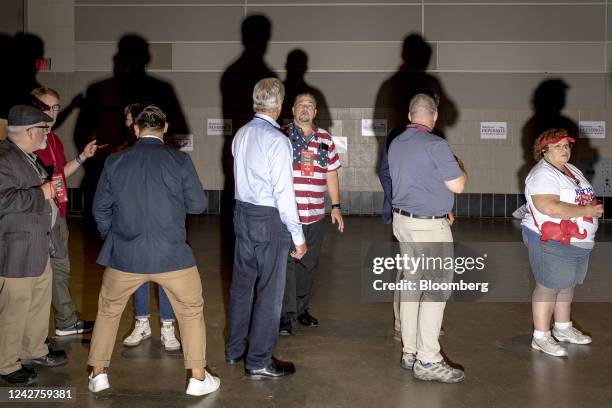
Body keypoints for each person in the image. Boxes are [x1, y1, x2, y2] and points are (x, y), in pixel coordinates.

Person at [87, 105, 219, 396]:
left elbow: (100, 209)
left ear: (135, 129)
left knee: (108, 312)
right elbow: (198, 205)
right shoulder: (179, 161)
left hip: (125, 256)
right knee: (191, 310)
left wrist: (115, 237)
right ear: (166, 128)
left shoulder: (115, 161)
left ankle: (98, 374)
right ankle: (197, 377)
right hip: (173, 256)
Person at [225, 78, 307, 379]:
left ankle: (235, 349)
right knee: (270, 292)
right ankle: (259, 359)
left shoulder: (242, 134)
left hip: (242, 214)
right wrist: (298, 237)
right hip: (267, 219)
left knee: (241, 287)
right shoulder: (278, 140)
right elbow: (284, 194)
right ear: (280, 104)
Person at [388, 93, 466, 383]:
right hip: (429, 229)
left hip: (403, 222)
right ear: (434, 117)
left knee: (411, 285)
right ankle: (429, 359)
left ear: (410, 117)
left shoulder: (397, 143)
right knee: (434, 292)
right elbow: (457, 185)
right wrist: (461, 169)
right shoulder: (436, 144)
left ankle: (410, 351)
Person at [0, 105, 67, 386]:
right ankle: (6, 364)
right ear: (29, 131)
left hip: (37, 245)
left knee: (38, 303)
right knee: (15, 309)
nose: (47, 134)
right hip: (17, 249)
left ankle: (33, 350)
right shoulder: (3, 157)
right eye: (44, 128)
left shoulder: (25, 156)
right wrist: (41, 191)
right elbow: (3, 200)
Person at [521, 128, 602, 357]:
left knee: (567, 284)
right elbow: (548, 206)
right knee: (548, 286)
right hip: (551, 238)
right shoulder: (543, 174)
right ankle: (541, 336)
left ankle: (563, 328)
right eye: (557, 146)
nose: (564, 149)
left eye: (567, 145)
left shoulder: (570, 170)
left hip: (575, 240)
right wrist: (586, 209)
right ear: (543, 149)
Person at [32, 87, 97, 336]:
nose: (53, 112)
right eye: (48, 107)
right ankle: (39, 335)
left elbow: (59, 175)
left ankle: (66, 320)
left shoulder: (54, 140)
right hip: (39, 219)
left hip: (58, 213)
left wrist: (82, 157)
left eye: (56, 107)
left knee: (60, 269)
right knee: (42, 275)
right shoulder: (30, 141)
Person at [279, 93, 343, 336]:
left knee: (308, 265)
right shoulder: (281, 136)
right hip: (287, 217)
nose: (305, 109)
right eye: (301, 105)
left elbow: (332, 173)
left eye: (310, 106)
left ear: (315, 112)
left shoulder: (325, 139)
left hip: (315, 215)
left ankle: (301, 309)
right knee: (286, 266)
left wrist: (335, 206)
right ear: (293, 110)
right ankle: (285, 315)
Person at [118, 103, 180, 351]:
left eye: (128, 118)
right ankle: (142, 323)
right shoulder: (121, 155)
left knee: (165, 280)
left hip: (164, 232)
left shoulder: (173, 157)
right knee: (139, 279)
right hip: (136, 232)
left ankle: (168, 327)